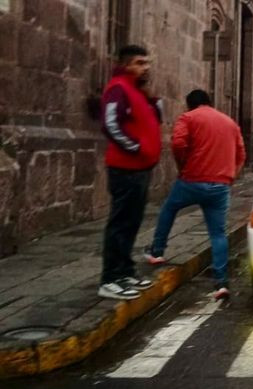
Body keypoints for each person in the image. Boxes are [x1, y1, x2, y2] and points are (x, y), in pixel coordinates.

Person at [143, 90, 246, 301]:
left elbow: (178, 143)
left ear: (190, 105)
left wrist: (183, 165)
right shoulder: (229, 123)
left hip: (191, 180)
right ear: (209, 102)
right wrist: (231, 176)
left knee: (169, 209)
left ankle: (157, 251)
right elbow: (241, 153)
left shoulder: (188, 117)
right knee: (218, 233)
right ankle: (221, 282)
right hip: (220, 185)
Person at [98, 45, 163, 300]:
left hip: (141, 168)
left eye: (147, 62)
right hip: (125, 168)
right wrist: (136, 148)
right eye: (139, 62)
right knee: (120, 223)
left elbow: (156, 120)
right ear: (126, 65)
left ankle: (125, 271)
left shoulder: (138, 91)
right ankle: (110, 278)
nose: (145, 67)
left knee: (132, 222)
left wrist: (152, 97)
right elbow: (110, 124)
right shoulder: (118, 88)